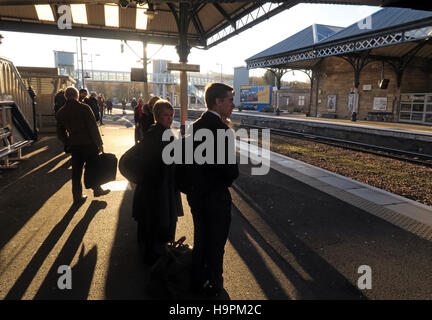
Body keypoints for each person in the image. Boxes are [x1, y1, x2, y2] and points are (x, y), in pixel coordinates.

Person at [186, 82, 239, 298]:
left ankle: (197, 281)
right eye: (229, 100)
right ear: (218, 102)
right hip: (216, 198)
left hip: (197, 195)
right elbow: (231, 172)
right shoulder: (222, 130)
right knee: (216, 244)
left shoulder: (196, 126)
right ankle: (215, 286)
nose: (233, 105)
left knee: (201, 239)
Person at [132, 99, 183, 265]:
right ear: (157, 116)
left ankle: (151, 256)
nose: (169, 119)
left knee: (152, 225)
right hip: (162, 189)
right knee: (162, 225)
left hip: (155, 188)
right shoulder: (162, 135)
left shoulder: (153, 133)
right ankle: (158, 262)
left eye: (171, 115)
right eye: (165, 115)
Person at [56, 87, 110, 204]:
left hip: (75, 145)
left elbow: (60, 132)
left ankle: (77, 196)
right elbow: (93, 128)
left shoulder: (61, 112)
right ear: (77, 96)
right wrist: (99, 144)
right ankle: (97, 189)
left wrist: (68, 142)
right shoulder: (84, 108)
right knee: (93, 167)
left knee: (76, 171)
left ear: (65, 96)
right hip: (89, 144)